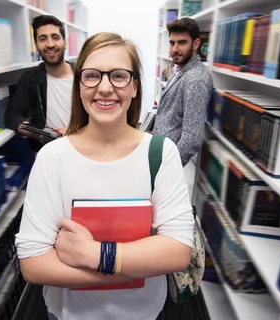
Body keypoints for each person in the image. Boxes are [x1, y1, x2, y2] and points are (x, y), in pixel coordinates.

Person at [15, 32, 194, 320]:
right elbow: (34, 264)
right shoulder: (53, 157)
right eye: (92, 76)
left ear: (135, 86)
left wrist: (95, 255)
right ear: (79, 86)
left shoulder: (161, 153)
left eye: (119, 76)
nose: (105, 87)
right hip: (68, 314)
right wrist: (123, 272)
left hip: (144, 312)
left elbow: (178, 251)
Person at [5, 15, 74, 150]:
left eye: (55, 37)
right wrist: (42, 134)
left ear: (65, 42)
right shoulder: (31, 77)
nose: (50, 44)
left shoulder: (84, 76)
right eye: (43, 39)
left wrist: (77, 134)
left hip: (83, 149)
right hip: (48, 152)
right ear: (36, 45)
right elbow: (12, 117)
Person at [152, 18, 213, 167]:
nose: (174, 49)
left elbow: (192, 137)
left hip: (166, 161)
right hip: (160, 151)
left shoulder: (195, 79)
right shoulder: (181, 68)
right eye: (172, 43)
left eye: (182, 42)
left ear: (196, 44)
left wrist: (168, 169)